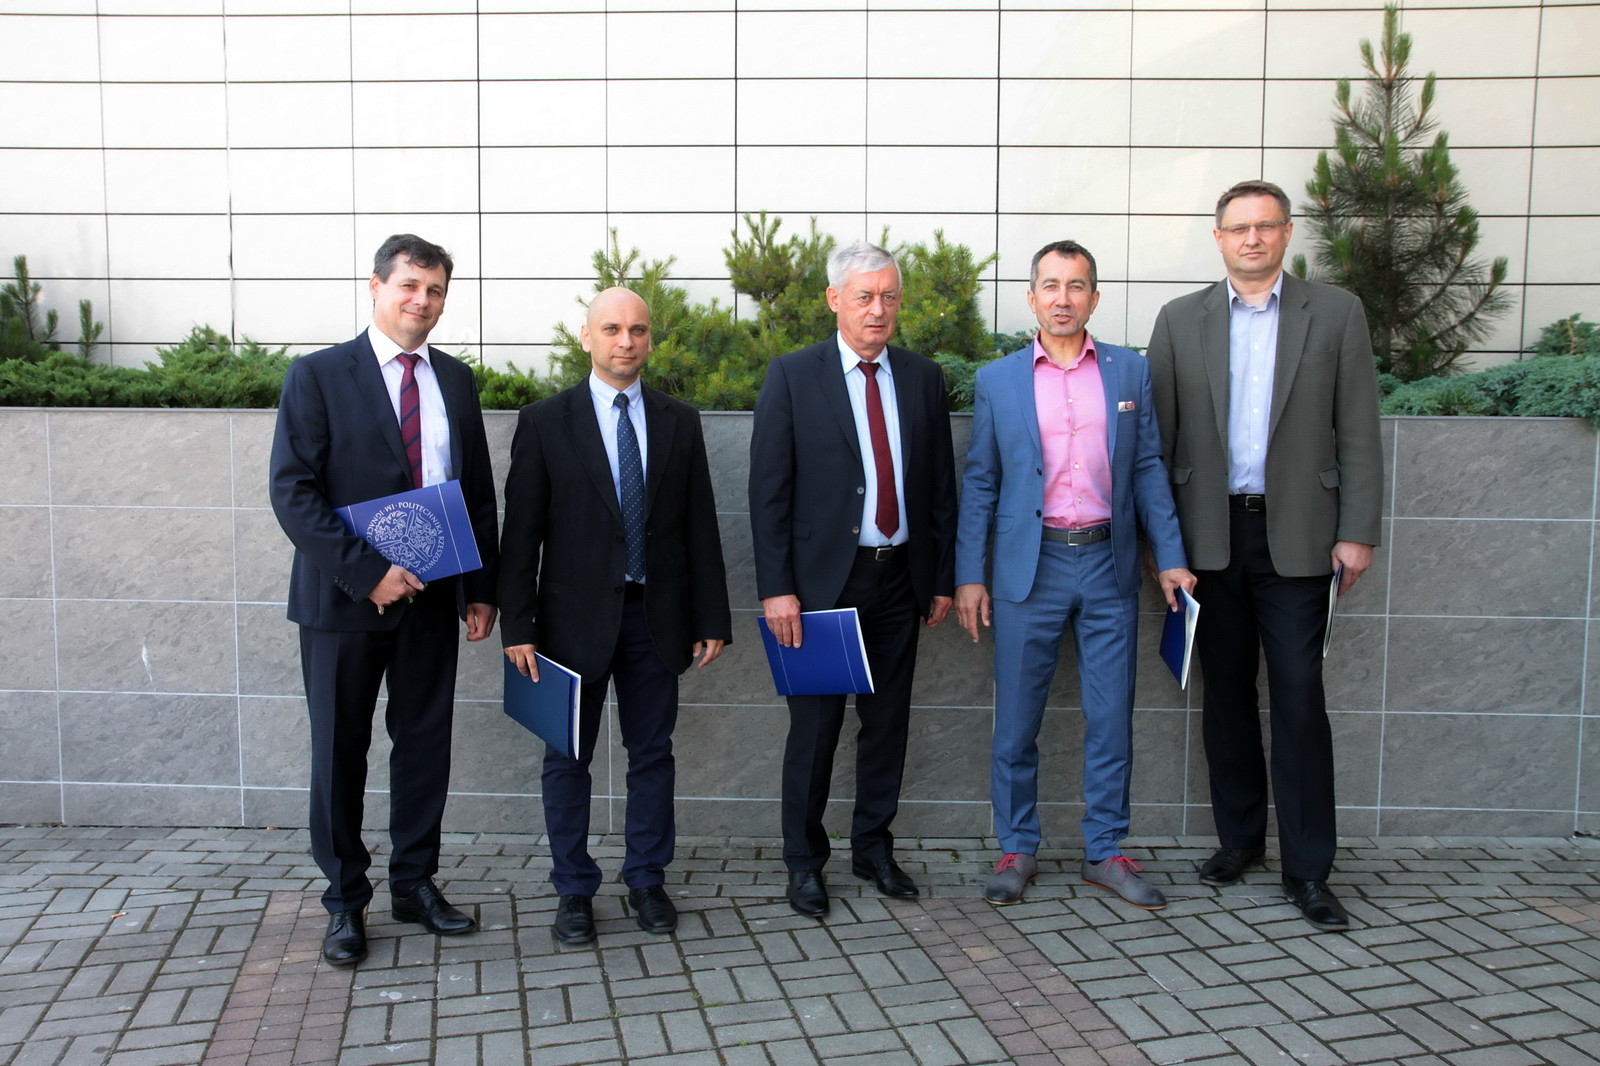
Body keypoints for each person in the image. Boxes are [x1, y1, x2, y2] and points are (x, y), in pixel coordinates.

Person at [1146, 180, 1383, 931]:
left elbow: (1359, 427)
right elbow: (1157, 445)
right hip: (1209, 541)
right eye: (1238, 227)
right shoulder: (1180, 320)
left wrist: (1358, 530)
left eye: (1266, 225)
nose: (1252, 238)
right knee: (1225, 695)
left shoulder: (1336, 312)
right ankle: (1240, 841)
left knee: (1299, 696)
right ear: (1219, 237)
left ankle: (1308, 870)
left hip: (1301, 538)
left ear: (1286, 233)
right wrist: (1166, 546)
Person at [269, 233, 500, 967]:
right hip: (344, 602)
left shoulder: (455, 381)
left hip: (433, 599)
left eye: (434, 291)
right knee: (340, 752)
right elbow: (293, 492)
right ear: (375, 287)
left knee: (425, 746)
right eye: (409, 286)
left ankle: (414, 884)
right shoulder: (318, 375)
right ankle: (345, 901)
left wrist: (481, 588)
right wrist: (368, 573)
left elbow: (476, 492)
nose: (421, 301)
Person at [954, 241, 1195, 910]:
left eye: (1077, 285)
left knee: (1111, 716)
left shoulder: (1128, 372)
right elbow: (982, 480)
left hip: (1108, 564)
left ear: (1094, 297)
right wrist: (970, 574)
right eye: (1051, 285)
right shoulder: (998, 379)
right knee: (1016, 722)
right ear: (1031, 297)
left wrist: (1170, 556)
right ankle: (1017, 847)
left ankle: (1105, 850)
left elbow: (1147, 466)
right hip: (1028, 568)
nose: (1063, 298)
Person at [499, 287, 732, 945]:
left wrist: (711, 616)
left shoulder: (679, 421)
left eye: (637, 329)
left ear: (650, 338)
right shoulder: (545, 421)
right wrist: (519, 626)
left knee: (652, 754)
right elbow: (521, 534)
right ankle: (573, 890)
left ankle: (646, 879)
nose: (625, 341)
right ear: (587, 337)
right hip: (567, 625)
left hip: (656, 619)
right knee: (566, 758)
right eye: (611, 329)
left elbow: (698, 524)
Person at [749, 241, 959, 918]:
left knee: (887, 725)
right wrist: (778, 588)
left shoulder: (922, 377)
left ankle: (873, 848)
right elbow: (769, 492)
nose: (878, 309)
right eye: (865, 296)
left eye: (889, 296)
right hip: (820, 590)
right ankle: (804, 863)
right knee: (814, 732)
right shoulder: (793, 375)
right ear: (834, 299)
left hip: (899, 579)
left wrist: (941, 577)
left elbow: (939, 488)